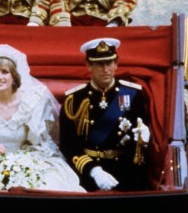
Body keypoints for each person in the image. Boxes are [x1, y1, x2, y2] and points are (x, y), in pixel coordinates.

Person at [0, 44, 84, 192]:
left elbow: (39, 144)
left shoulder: (32, 101)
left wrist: (23, 162)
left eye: (5, 72)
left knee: (49, 182)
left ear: (14, 76)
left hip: (24, 160)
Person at [59, 38, 150, 192]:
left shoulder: (133, 94)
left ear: (116, 63)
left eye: (109, 63)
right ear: (88, 65)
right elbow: (69, 147)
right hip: (90, 173)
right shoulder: (74, 100)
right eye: (99, 64)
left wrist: (144, 139)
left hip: (126, 169)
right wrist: (94, 171)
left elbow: (139, 134)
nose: (105, 69)